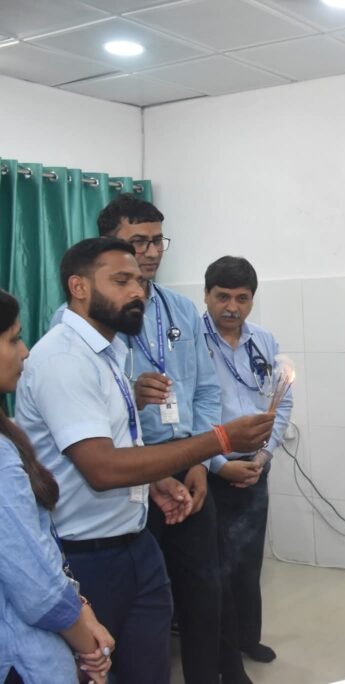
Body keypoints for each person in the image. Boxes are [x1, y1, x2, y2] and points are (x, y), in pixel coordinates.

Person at [16, 238, 273, 683]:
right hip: (86, 554)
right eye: (121, 281)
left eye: (138, 280)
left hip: (133, 540)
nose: (137, 291)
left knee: (154, 664)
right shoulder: (64, 359)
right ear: (78, 287)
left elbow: (116, 441)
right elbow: (102, 469)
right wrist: (219, 440)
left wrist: (155, 483)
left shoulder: (108, 354)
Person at [0, 288, 114, 684]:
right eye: (13, 339)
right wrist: (87, 644)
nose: (25, 351)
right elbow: (32, 582)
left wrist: (79, 608)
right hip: (21, 656)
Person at [201, 256, 291, 664]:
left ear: (252, 299)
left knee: (248, 560)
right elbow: (190, 409)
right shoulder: (191, 342)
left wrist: (262, 455)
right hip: (209, 469)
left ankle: (247, 639)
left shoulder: (264, 341)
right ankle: (221, 652)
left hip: (255, 466)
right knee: (214, 566)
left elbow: (282, 400)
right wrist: (220, 465)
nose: (232, 307)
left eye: (242, 298)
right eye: (222, 297)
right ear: (207, 296)